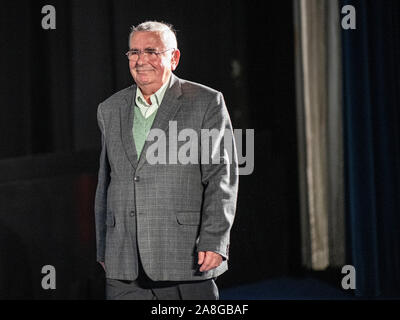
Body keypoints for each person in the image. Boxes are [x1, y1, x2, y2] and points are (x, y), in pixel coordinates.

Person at [94, 21, 238, 300]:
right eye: (134, 52)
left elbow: (221, 176)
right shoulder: (109, 109)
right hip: (123, 260)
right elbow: (105, 182)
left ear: (174, 57)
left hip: (185, 257)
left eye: (152, 51)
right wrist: (103, 247)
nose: (141, 60)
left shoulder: (206, 102)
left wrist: (215, 239)